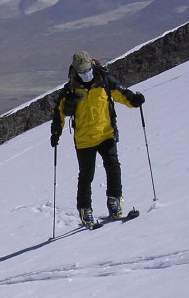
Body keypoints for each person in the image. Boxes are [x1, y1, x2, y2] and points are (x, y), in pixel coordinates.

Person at [50, 50, 145, 227]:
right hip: (84, 139)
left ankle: (114, 200)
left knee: (113, 166)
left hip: (106, 133)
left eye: (88, 71)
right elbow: (59, 112)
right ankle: (85, 209)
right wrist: (56, 132)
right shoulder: (70, 89)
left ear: (92, 66)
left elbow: (122, 94)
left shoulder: (104, 80)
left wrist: (135, 100)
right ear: (76, 71)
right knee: (87, 175)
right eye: (82, 72)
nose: (86, 74)